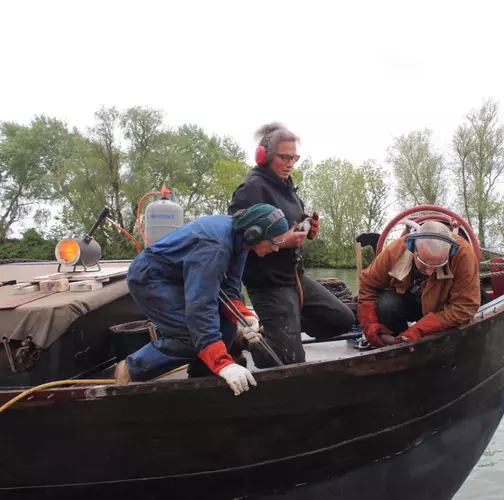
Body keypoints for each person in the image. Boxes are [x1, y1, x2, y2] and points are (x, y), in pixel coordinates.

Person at [114, 203, 289, 396]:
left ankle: (201, 374)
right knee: (191, 336)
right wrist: (223, 364)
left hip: (180, 277)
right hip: (151, 278)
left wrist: (245, 317)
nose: (276, 249)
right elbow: (200, 308)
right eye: (275, 243)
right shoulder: (216, 247)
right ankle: (132, 368)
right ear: (255, 234)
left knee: (227, 328)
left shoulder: (242, 240)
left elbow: (230, 288)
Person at [227, 122, 355, 368]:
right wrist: (283, 241)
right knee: (290, 361)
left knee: (341, 320)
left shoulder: (288, 186)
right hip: (269, 284)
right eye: (284, 157)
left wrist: (307, 227)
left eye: (294, 157)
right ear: (263, 156)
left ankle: (281, 331)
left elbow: (290, 219)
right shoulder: (252, 188)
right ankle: (248, 340)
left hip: (296, 277)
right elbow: (236, 236)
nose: (290, 163)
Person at [357, 220, 481, 347]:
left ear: (450, 252)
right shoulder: (395, 250)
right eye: (424, 263)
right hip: (409, 302)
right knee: (387, 305)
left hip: (443, 307)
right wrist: (370, 325)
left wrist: (419, 329)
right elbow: (367, 284)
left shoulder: (464, 254)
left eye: (438, 265)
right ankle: (397, 345)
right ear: (412, 248)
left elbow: (465, 306)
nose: (430, 271)